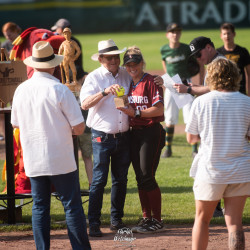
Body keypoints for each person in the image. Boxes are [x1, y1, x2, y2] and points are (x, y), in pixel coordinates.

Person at [11, 41, 91, 250]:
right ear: (54, 65)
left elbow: (15, 124)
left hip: (34, 158)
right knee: (72, 206)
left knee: (39, 207)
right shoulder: (59, 89)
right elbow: (80, 128)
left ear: (34, 65)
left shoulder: (21, 89)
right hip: (60, 157)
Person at [185, 58, 250, 250]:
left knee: (202, 219)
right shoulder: (247, 102)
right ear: (235, 76)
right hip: (241, 169)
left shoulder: (201, 101)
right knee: (235, 223)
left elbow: (191, 138)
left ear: (211, 76)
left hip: (211, 169)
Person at [80, 39, 131, 237]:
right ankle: (93, 223)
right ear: (100, 59)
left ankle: (116, 220)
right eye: (109, 57)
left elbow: (135, 92)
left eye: (116, 56)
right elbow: (84, 104)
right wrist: (103, 92)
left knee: (121, 180)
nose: (114, 60)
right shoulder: (93, 78)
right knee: (99, 180)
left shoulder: (126, 74)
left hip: (124, 135)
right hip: (102, 136)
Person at [173, 36, 225, 218]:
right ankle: (218, 207)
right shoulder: (214, 62)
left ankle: (216, 207)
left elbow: (214, 89)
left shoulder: (220, 63)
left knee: (212, 163)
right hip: (215, 120)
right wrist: (193, 87)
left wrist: (189, 90)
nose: (197, 58)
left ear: (209, 48)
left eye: (199, 53)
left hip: (219, 122)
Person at [118, 46, 165, 233]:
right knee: (140, 177)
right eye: (128, 64)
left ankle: (158, 220)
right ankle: (146, 218)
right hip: (134, 133)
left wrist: (136, 112)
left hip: (151, 132)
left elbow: (159, 109)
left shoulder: (150, 81)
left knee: (147, 175)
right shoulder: (129, 83)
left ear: (142, 63)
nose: (132, 67)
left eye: (135, 63)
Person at [160, 23, 200, 158]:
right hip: (171, 84)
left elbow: (197, 64)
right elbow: (164, 63)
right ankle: (168, 149)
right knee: (170, 118)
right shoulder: (164, 49)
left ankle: (194, 149)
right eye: (172, 32)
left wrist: (197, 82)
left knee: (190, 116)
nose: (175, 34)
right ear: (167, 35)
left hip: (185, 82)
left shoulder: (186, 49)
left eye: (177, 32)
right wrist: (168, 78)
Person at [217, 22, 250, 96]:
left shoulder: (242, 51)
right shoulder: (218, 53)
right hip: (222, 92)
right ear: (221, 36)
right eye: (224, 34)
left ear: (234, 34)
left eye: (229, 33)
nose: (227, 36)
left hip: (240, 91)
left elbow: (249, 73)